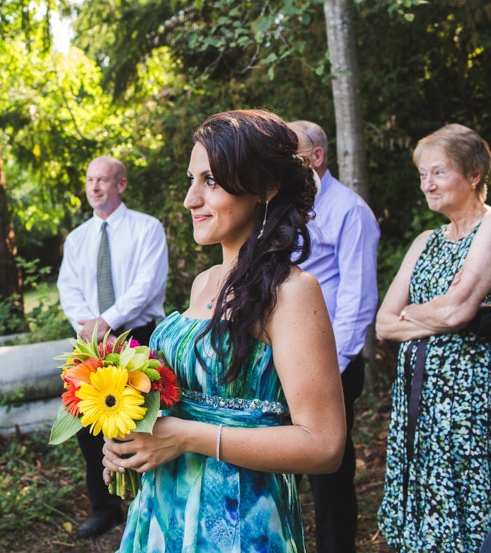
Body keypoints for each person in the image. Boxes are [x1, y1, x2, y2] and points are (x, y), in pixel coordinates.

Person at [101, 109, 347, 552]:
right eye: (191, 180)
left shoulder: (293, 293)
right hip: (163, 512)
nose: (190, 199)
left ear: (265, 188)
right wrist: (132, 443)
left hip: (237, 522)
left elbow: (324, 445)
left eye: (210, 181)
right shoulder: (203, 283)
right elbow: (178, 411)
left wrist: (184, 437)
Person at [375, 123, 491, 551]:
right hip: (417, 401)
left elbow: (459, 310)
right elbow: (384, 324)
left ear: (474, 174)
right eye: (423, 175)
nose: (427, 184)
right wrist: (437, 313)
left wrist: (416, 310)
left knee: (469, 502)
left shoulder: (489, 229)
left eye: (438, 173)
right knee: (424, 500)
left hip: (468, 401)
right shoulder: (425, 241)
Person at [56, 155, 169, 539]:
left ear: (120, 185)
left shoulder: (146, 229)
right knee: (89, 423)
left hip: (137, 334)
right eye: (90, 180)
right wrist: (90, 327)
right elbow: (68, 288)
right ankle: (106, 508)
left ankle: (150, 501)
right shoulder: (77, 238)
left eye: (102, 180)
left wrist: (109, 320)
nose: (94, 187)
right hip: (91, 341)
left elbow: (147, 284)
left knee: (143, 419)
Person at [288, 120, 381, 553]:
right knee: (283, 464)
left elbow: (357, 299)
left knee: (330, 478)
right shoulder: (284, 206)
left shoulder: (350, 210)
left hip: (331, 363)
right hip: (284, 360)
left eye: (292, 155)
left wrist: (332, 369)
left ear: (317, 157)